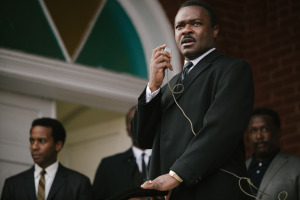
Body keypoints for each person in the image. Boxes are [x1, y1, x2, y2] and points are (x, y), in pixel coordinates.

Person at [131, 0, 255, 199]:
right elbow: (142, 138)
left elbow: (220, 130)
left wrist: (176, 174)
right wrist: (153, 86)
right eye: (180, 26)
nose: (186, 30)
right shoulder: (168, 87)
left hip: (212, 191)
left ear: (215, 30)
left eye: (195, 23)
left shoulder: (232, 70)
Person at [1, 117, 93, 200]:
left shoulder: (79, 183)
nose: (34, 147)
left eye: (41, 141)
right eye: (32, 141)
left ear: (58, 145)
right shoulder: (13, 184)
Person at [93, 106, 152, 200]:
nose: (138, 125)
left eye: (143, 119)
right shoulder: (108, 166)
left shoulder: (170, 161)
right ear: (127, 131)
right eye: (133, 121)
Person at [246, 108, 300, 200]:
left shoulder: (297, 166)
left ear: (279, 132)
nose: (259, 136)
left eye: (264, 129)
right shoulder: (240, 169)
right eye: (254, 130)